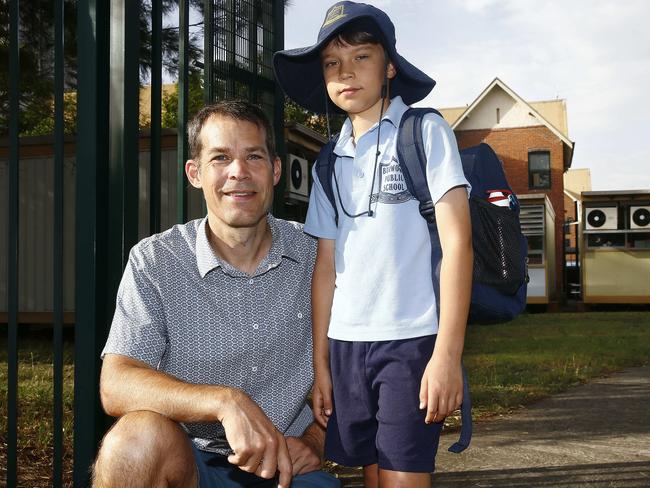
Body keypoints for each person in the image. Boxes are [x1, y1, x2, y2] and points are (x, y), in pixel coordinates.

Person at [273, 2, 473, 487]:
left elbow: (458, 244)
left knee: (404, 477)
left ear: (388, 66)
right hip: (346, 345)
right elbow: (326, 267)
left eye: (361, 57)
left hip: (411, 341)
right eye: (331, 64)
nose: (346, 72)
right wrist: (321, 364)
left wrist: (446, 354)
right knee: (374, 477)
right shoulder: (329, 160)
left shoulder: (424, 133)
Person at [93, 100, 340, 488]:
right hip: (187, 461)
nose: (238, 173)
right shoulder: (156, 261)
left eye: (254, 156)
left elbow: (361, 364)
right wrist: (224, 401)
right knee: (134, 441)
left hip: (288, 468)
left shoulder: (317, 257)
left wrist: (317, 439)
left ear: (275, 170)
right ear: (195, 173)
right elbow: (116, 382)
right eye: (221, 157)